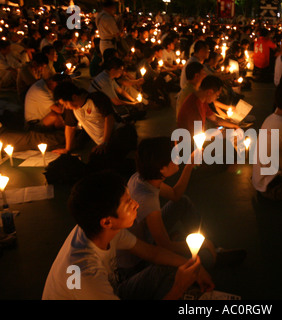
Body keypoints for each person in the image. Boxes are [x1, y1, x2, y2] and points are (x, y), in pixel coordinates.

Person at [42, 171, 214, 300]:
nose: (136, 204)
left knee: (166, 268)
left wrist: (194, 267)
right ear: (107, 221)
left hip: (111, 290)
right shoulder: (84, 272)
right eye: (128, 203)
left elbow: (153, 253)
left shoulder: (100, 229)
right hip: (99, 291)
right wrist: (178, 287)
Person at [117, 137, 246, 271]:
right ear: (162, 168)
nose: (179, 156)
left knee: (182, 202)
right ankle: (212, 255)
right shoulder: (147, 200)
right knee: (205, 257)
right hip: (139, 260)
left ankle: (212, 248)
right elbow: (165, 246)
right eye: (174, 155)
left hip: (147, 234)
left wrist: (189, 165)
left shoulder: (141, 177)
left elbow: (175, 195)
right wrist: (203, 244)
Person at [52, 81, 116, 155]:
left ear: (74, 97)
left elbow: (109, 117)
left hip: (116, 134)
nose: (65, 107)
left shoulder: (96, 99)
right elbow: (70, 127)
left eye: (65, 103)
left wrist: (105, 142)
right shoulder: (72, 109)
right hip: (101, 143)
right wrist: (67, 149)